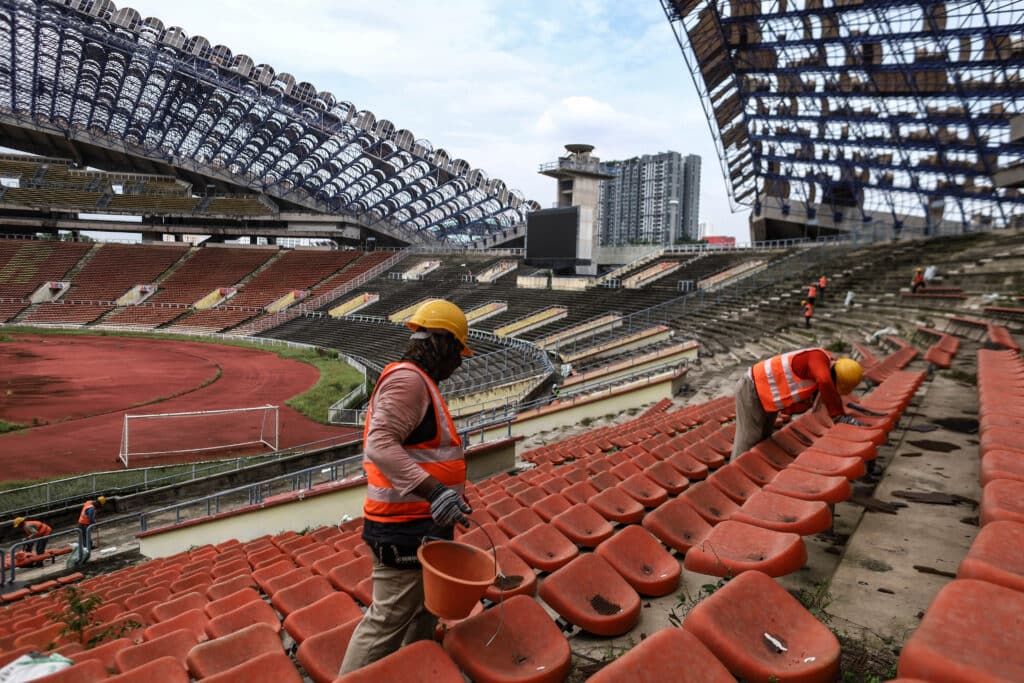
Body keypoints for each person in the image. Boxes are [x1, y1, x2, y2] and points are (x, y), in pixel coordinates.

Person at [340, 299, 473, 675]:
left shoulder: (419, 381)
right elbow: (379, 445)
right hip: (404, 530)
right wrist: (435, 491)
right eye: (457, 352)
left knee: (422, 610)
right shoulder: (408, 380)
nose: (459, 362)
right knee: (387, 620)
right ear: (442, 343)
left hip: (422, 526)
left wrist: (451, 494)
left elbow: (424, 452)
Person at [730, 349, 864, 460]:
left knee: (764, 438)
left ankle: (751, 475)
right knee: (749, 439)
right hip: (751, 388)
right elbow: (824, 381)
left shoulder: (824, 366)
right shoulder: (819, 359)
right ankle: (734, 475)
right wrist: (839, 415)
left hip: (767, 396)